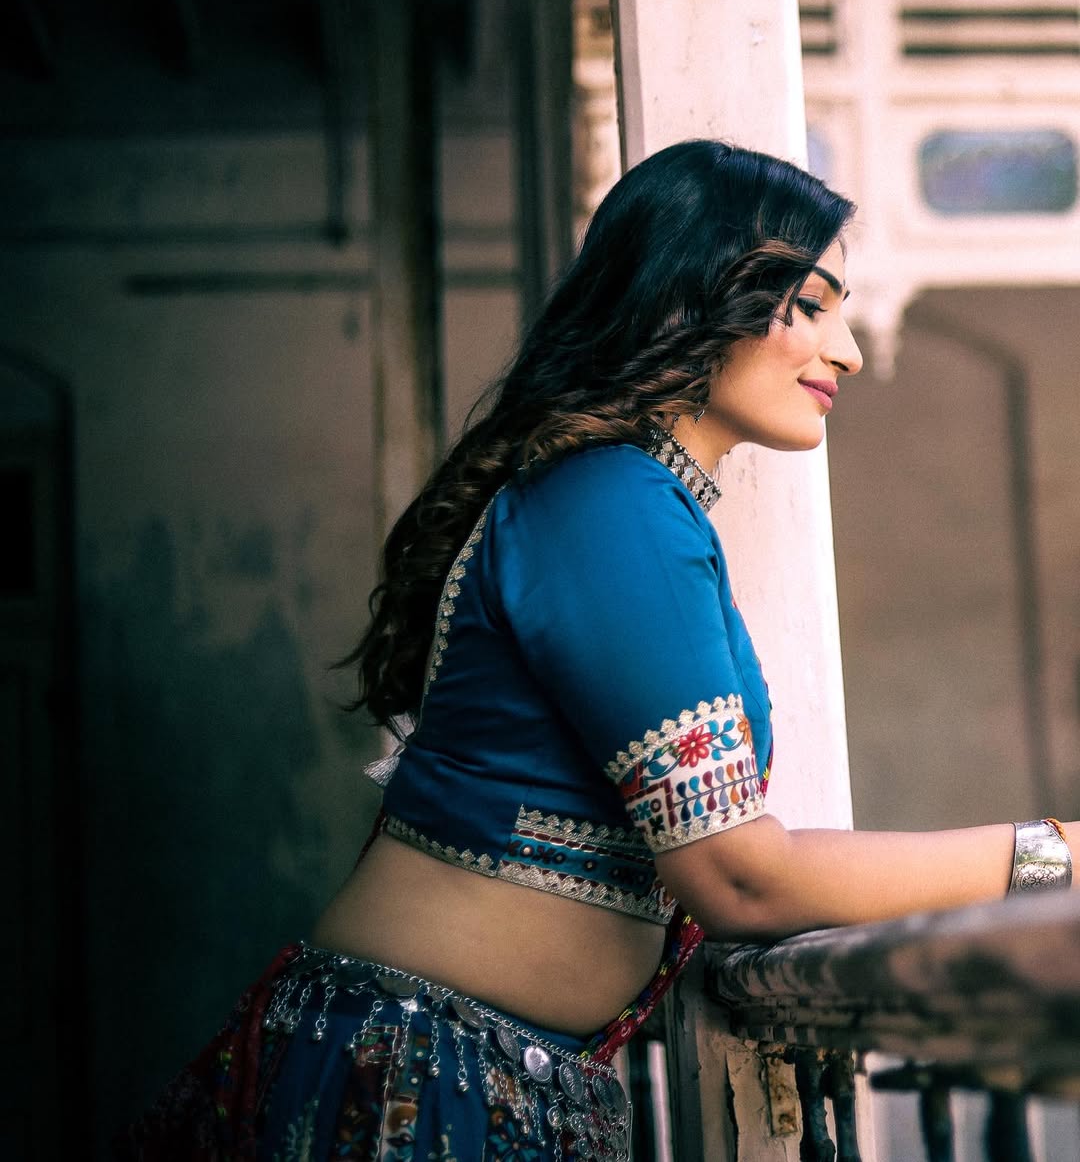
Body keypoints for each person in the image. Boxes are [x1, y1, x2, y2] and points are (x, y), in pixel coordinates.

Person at [121, 140, 1076, 1162]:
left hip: (458, 1073)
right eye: (807, 305)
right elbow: (739, 878)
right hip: (413, 1089)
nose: (844, 349)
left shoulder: (626, 502)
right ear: (688, 294)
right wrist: (1053, 854)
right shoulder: (612, 504)